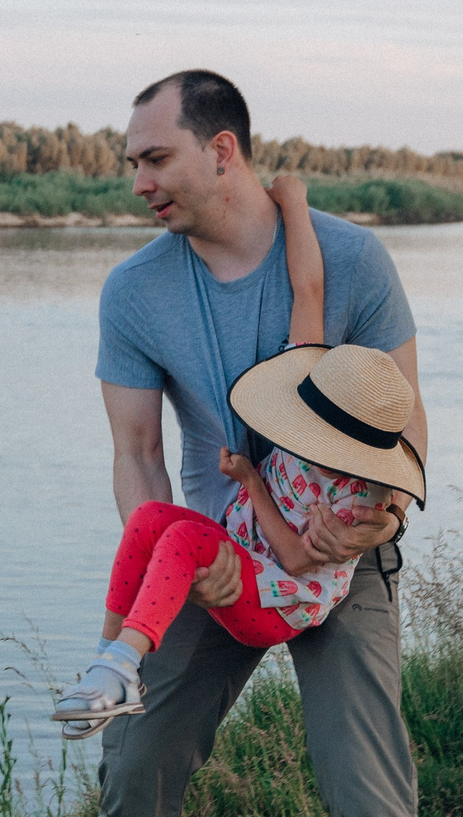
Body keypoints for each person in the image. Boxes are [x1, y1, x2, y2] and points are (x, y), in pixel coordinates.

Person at [57, 68, 448, 817]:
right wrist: (169, 576)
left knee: (363, 784)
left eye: (153, 157)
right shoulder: (135, 290)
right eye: (130, 162)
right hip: (223, 550)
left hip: (337, 560)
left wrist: (367, 524)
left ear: (220, 150)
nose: (136, 179)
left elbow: (403, 423)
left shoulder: (352, 260)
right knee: (136, 759)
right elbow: (138, 457)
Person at [51, 175, 420, 735]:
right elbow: (310, 288)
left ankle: (125, 664)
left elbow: (299, 560)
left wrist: (251, 481)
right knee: (151, 520)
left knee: (182, 538)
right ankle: (109, 656)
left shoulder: (356, 496)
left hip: (279, 601)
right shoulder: (312, 396)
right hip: (249, 556)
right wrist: (295, 202)